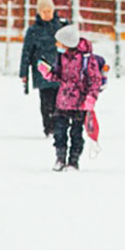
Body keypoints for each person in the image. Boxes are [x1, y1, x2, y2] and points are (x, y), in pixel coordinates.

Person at [37, 24, 103, 171]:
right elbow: (58, 76)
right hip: (62, 101)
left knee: (76, 133)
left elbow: (95, 80)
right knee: (59, 132)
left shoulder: (87, 59)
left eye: (59, 42)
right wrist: (47, 73)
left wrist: (90, 98)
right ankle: (60, 158)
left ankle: (73, 160)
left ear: (67, 43)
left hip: (80, 104)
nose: (56, 45)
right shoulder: (62, 57)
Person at [19, 0, 67, 137]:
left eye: (49, 11)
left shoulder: (62, 27)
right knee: (46, 102)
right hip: (42, 72)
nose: (47, 14)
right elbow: (26, 52)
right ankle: (49, 126)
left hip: (60, 71)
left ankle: (59, 125)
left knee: (60, 101)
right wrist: (23, 73)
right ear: (39, 12)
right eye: (44, 11)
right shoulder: (34, 31)